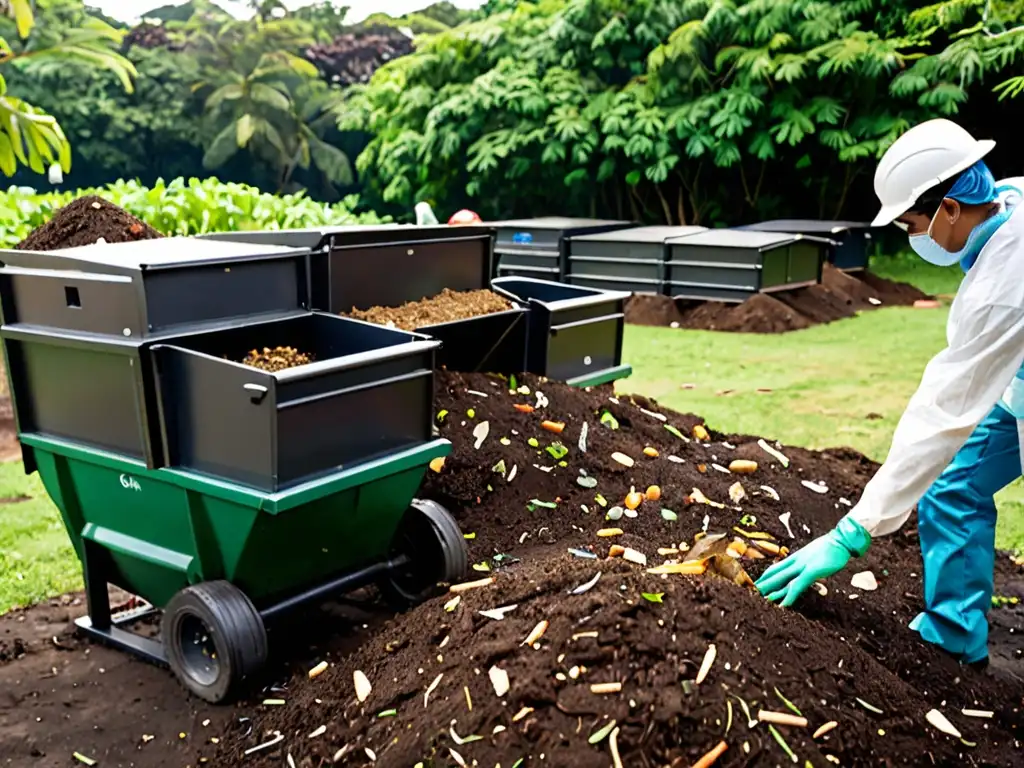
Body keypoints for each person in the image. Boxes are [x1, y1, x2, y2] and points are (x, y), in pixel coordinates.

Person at [755, 118, 1024, 670]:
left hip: (1008, 376)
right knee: (953, 482)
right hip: (1014, 383)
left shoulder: (1005, 285)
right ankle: (955, 632)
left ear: (950, 208)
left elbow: (945, 411)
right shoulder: (1009, 198)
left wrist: (852, 532)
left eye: (912, 223)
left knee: (946, 454)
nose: (911, 236)